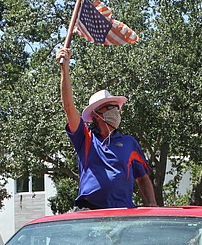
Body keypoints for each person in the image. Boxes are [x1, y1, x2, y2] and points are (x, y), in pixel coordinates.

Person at [56, 46, 158, 210]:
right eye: (110, 107)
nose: (116, 111)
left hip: (124, 212)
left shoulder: (129, 143)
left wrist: (152, 203)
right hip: (91, 211)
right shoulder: (86, 138)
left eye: (117, 107)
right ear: (97, 114)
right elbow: (68, 107)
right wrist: (65, 69)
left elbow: (142, 177)